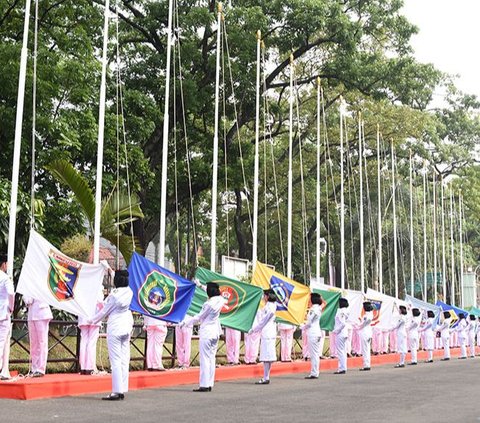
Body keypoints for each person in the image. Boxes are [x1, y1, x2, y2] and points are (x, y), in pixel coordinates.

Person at [90, 269, 133, 401]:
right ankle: (122, 388)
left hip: (115, 327)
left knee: (115, 360)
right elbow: (119, 277)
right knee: (124, 359)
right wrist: (111, 270)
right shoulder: (129, 291)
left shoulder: (114, 295)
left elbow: (104, 312)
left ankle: (116, 391)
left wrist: (91, 320)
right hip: (126, 326)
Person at [181, 282, 226, 392]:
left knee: (205, 359)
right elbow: (210, 289)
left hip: (207, 332)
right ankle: (209, 383)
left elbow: (199, 317)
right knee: (211, 358)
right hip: (215, 333)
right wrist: (200, 285)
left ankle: (204, 384)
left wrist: (185, 322)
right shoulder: (220, 300)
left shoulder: (208, 304)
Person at [248, 289, 277, 385]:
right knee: (267, 357)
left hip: (267, 332)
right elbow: (260, 314)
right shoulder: (270, 306)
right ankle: (266, 376)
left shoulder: (270, 307)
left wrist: (254, 330)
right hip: (268, 332)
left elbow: (263, 321)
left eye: (264, 295)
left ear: (267, 296)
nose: (263, 297)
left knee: (266, 357)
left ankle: (266, 377)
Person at [23, 296, 52, 377]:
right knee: (34, 343)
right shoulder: (28, 284)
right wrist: (27, 298)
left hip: (42, 313)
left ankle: (41, 369)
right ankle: (34, 367)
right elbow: (27, 298)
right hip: (31, 314)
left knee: (42, 342)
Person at [78, 288, 104, 375]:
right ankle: (90, 366)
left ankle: (83, 367)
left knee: (84, 340)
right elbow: (100, 303)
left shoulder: (82, 286)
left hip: (83, 315)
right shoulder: (97, 286)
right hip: (94, 315)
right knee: (91, 341)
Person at [300, 293, 323, 379]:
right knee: (316, 354)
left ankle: (314, 372)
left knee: (314, 354)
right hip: (316, 332)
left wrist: (303, 326)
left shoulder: (313, 310)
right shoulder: (319, 308)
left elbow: (309, 323)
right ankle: (315, 371)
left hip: (312, 333)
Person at [0, 253, 14, 380]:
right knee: (2, 342)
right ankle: (3, 370)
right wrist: (11, 307)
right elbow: (11, 293)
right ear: (4, 264)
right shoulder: (5, 278)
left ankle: (4, 371)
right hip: (3, 313)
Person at [332, 298, 349, 374]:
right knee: (343, 351)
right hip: (344, 333)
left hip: (340, 333)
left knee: (340, 351)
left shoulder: (341, 311)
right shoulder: (346, 311)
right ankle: (343, 367)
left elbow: (342, 323)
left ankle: (342, 368)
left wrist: (336, 331)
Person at [356, 302, 373, 371]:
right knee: (367, 349)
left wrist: (358, 324)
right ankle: (367, 364)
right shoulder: (370, 315)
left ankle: (366, 365)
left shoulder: (366, 316)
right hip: (368, 332)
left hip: (365, 333)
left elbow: (362, 324)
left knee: (365, 349)